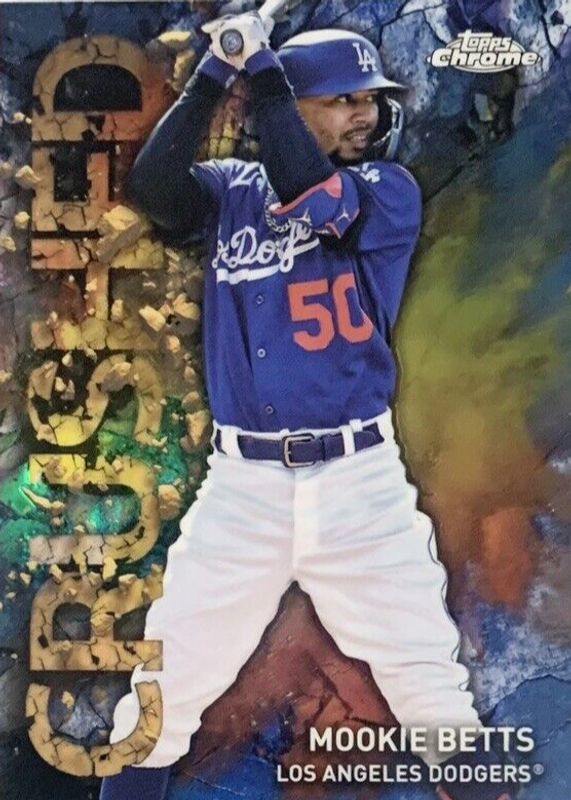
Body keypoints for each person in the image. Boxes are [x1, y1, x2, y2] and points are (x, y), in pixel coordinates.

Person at [100, 15, 513, 800]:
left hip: (357, 484)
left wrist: (262, 74)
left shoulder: (386, 191)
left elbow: (307, 190)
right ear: (291, 108)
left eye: (369, 99)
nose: (366, 114)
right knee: (161, 693)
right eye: (342, 99)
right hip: (243, 487)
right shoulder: (232, 191)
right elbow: (153, 190)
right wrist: (214, 74)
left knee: (430, 693)